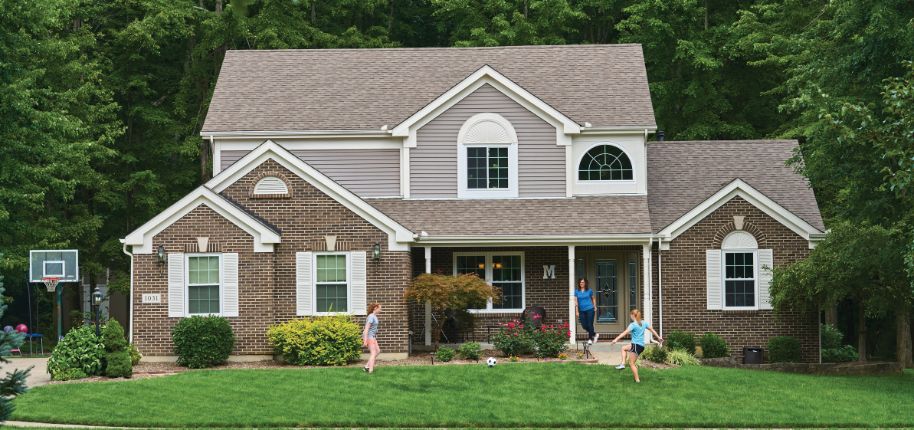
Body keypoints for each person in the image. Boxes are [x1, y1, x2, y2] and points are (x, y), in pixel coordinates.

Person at [610, 308, 662, 383]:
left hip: (635, 346)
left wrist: (616, 339)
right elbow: (652, 330)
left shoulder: (633, 325)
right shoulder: (644, 323)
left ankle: (637, 380)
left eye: (631, 315)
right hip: (641, 346)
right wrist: (658, 337)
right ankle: (623, 364)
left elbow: (624, 333)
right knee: (623, 348)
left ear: (633, 315)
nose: (630, 316)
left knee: (631, 364)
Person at [574, 278, 598, 344]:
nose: (581, 283)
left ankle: (590, 339)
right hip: (581, 310)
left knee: (590, 324)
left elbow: (593, 299)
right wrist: (577, 311)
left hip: (590, 309)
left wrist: (595, 306)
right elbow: (576, 302)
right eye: (580, 282)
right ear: (579, 283)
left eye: (583, 282)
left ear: (585, 283)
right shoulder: (576, 291)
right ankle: (594, 334)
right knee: (584, 325)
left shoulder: (589, 290)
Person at [363, 303, 382, 373]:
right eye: (380, 308)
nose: (381, 310)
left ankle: (366, 366)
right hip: (369, 336)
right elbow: (366, 329)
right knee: (373, 353)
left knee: (378, 351)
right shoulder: (371, 316)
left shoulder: (374, 316)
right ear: (375, 308)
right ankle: (370, 370)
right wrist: (365, 340)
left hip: (372, 336)